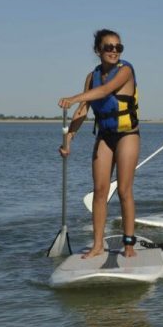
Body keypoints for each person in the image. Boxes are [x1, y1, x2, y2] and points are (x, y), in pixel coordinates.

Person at [58, 29, 140, 258]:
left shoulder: (125, 71)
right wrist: (69, 140)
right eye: (108, 47)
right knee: (100, 191)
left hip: (127, 135)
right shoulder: (91, 76)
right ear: (98, 50)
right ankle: (97, 245)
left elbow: (105, 91)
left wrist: (73, 97)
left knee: (124, 190)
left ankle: (129, 245)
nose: (114, 51)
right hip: (105, 136)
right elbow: (83, 110)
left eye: (118, 47)